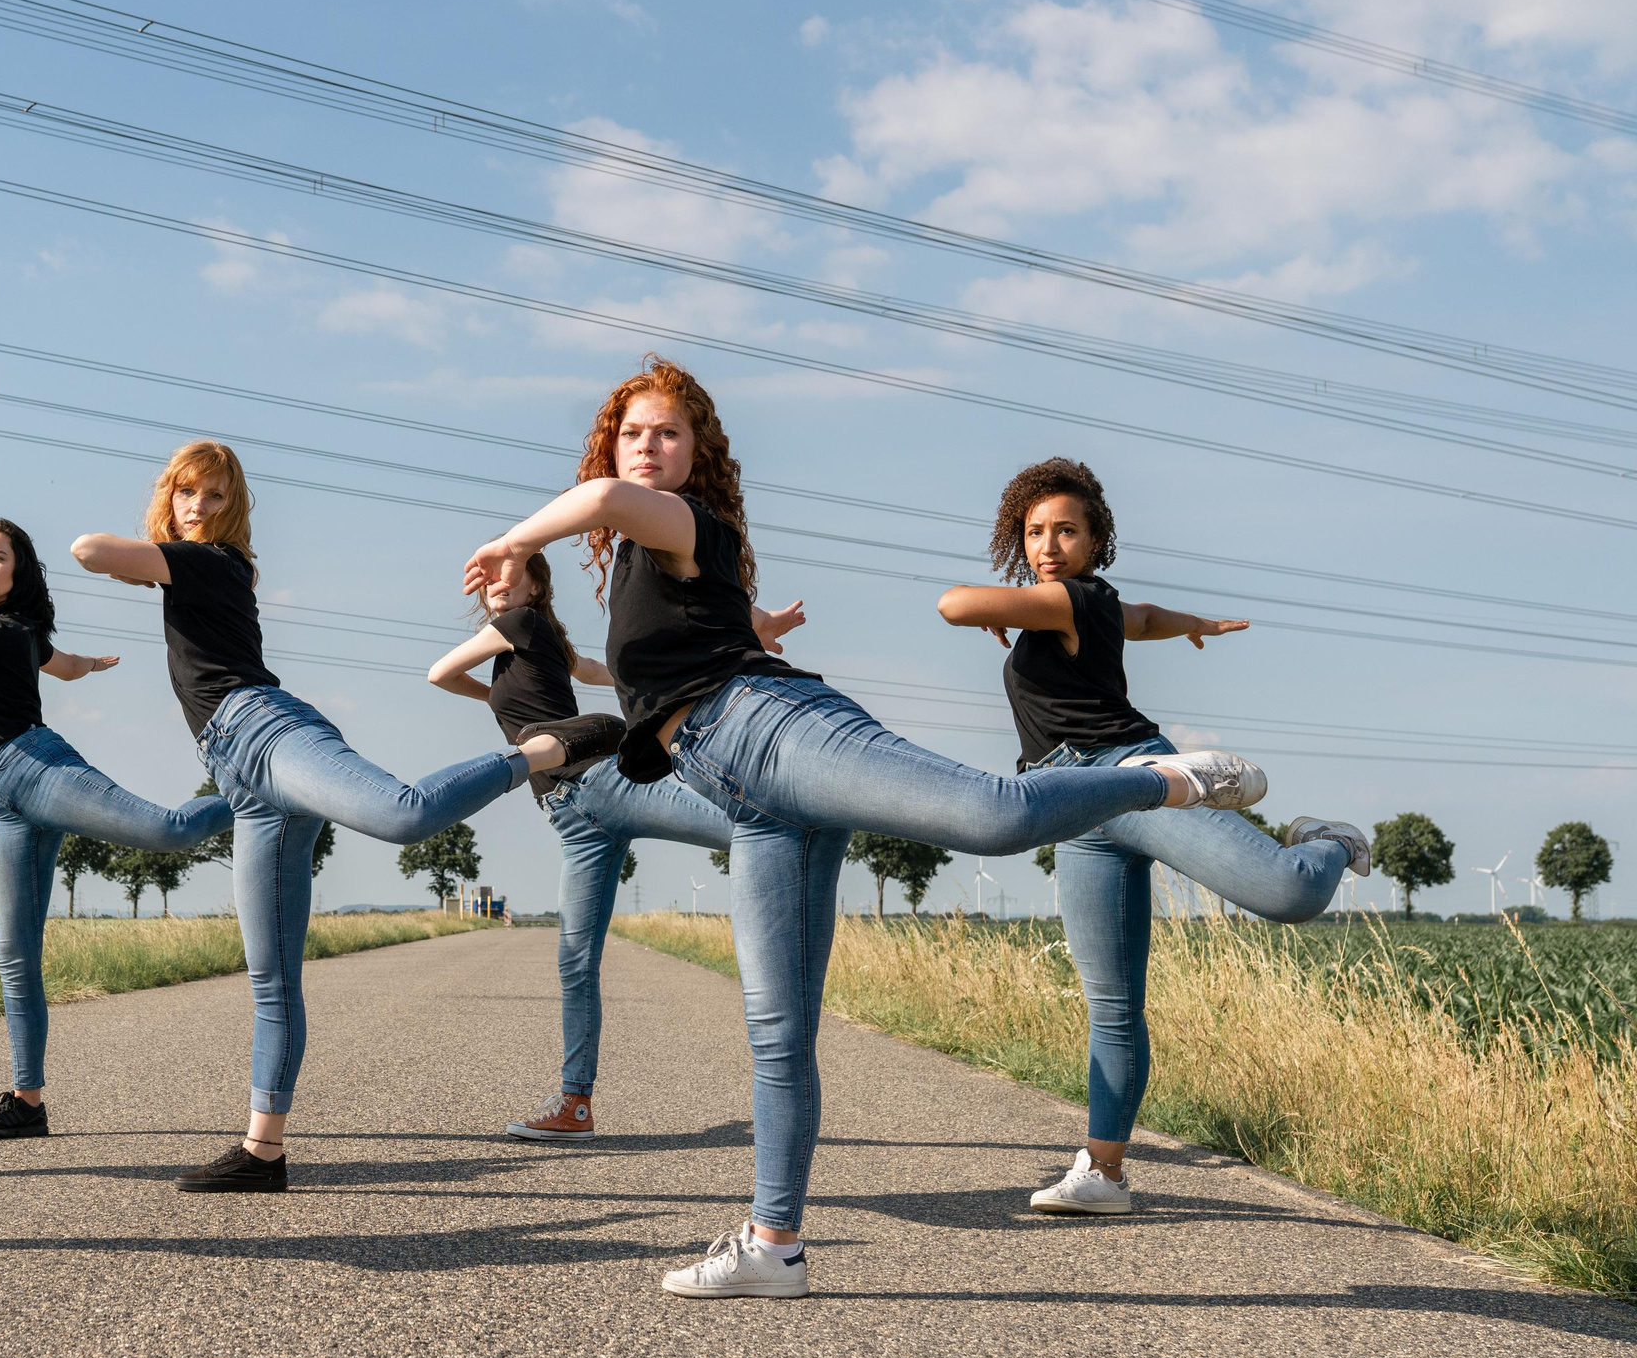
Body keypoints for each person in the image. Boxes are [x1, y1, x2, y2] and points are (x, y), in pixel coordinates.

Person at [461, 359, 1271, 1300]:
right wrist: (756, 620)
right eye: (634, 432)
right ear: (614, 438)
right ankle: (775, 1246)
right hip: (746, 793)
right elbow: (693, 621)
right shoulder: (645, 560)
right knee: (776, 1028)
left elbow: (602, 497)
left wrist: (509, 541)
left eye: (668, 433)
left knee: (990, 816)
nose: (649, 447)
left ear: (698, 455)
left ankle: (1162, 780)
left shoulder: (683, 520)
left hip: (776, 730)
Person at [72, 441, 625, 1193]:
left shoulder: (210, 562)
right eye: (185, 493)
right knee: (271, 975)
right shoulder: (190, 567)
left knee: (402, 817)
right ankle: (264, 1151)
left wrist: (163, 546)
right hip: (240, 776)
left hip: (268, 733)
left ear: (232, 510)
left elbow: (88, 550)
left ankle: (541, 750)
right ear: (168, 495)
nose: (197, 507)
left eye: (214, 497)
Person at [936, 457, 1369, 1216]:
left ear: (1096, 540)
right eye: (1034, 532)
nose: (1048, 545)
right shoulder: (1092, 604)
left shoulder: (1068, 599)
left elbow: (951, 605)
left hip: (1134, 781)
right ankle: (1103, 1175)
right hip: (1071, 808)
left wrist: (1007, 603)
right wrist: (1192, 625)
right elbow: (1140, 618)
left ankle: (1327, 839)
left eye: (1066, 531)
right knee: (1112, 1004)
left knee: (1288, 890)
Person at [427, 550, 801, 1143]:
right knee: (575, 960)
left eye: (507, 571)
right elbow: (598, 673)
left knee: (744, 825)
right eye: (487, 577)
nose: (494, 583)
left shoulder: (518, 626)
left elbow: (439, 674)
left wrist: (491, 698)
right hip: (573, 817)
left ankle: (813, 817)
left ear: (535, 582)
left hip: (596, 785)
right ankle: (575, 1104)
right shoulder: (540, 639)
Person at [0, 517, 232, 1140]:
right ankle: (27, 1102)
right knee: (15, 959)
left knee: (170, 830)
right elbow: (63, 665)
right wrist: (93, 666)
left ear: (19, 572)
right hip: (6, 802)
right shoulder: (21, 635)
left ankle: (257, 791)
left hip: (42, 771)